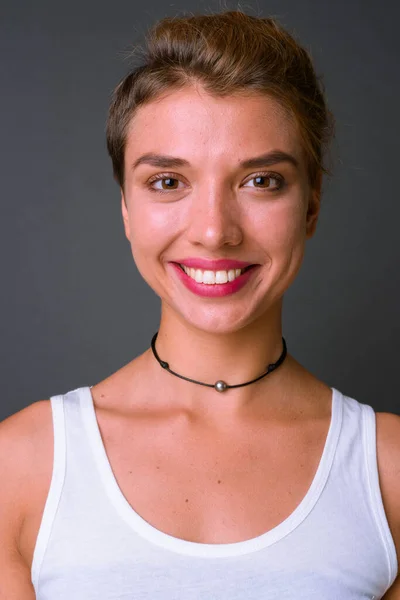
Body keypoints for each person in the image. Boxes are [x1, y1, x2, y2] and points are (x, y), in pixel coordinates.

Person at [1, 8, 399, 599]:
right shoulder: (20, 467)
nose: (214, 231)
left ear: (311, 206)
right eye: (168, 182)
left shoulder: (388, 472)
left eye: (260, 181)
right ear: (127, 209)